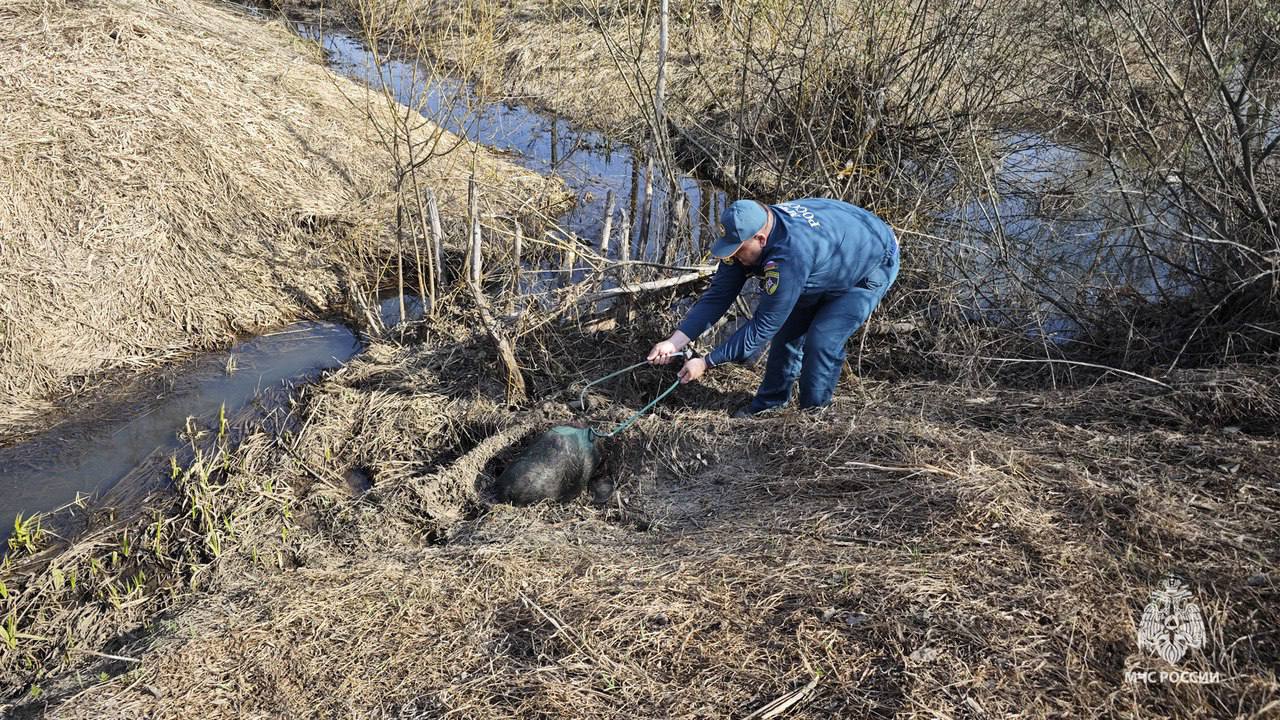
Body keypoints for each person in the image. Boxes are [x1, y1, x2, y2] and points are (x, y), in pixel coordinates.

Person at [647, 197, 899, 417]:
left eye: (738, 251)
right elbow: (717, 297)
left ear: (760, 238)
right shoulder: (747, 233)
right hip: (829, 252)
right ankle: (771, 404)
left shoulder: (790, 256)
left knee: (822, 339)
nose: (733, 256)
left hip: (871, 262)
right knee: (788, 331)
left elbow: (762, 327)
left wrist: (706, 362)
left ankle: (813, 415)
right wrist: (674, 342)